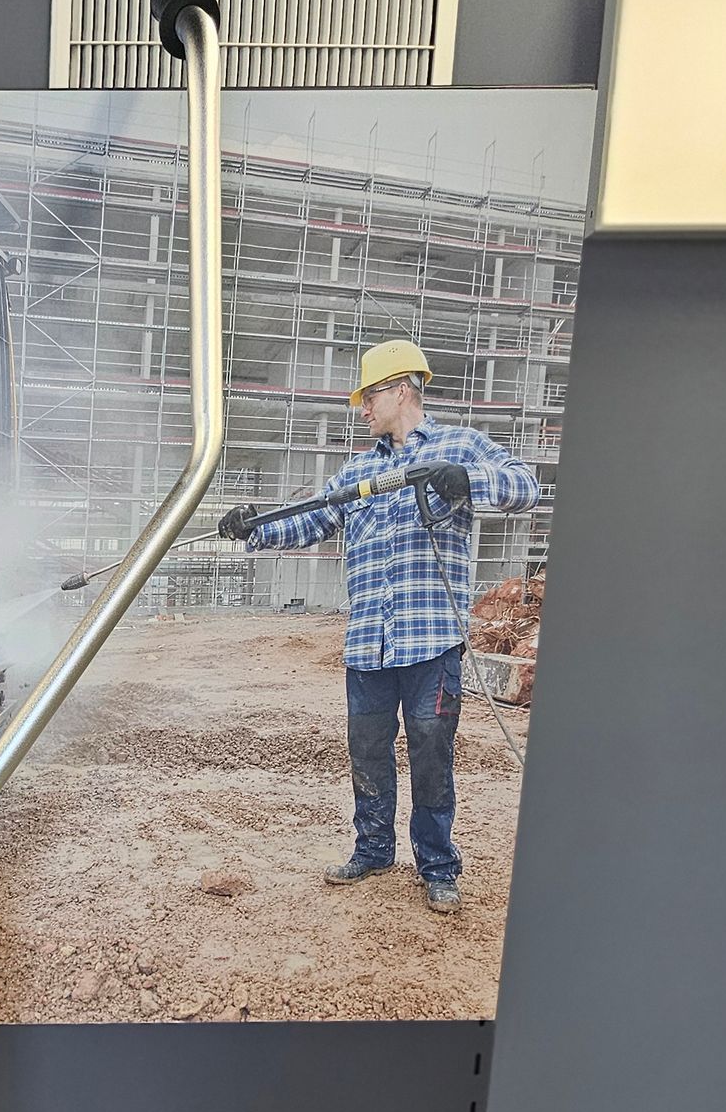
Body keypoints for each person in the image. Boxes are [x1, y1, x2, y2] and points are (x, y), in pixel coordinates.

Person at [217, 338, 538, 916]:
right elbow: (313, 518)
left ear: (401, 390)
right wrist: (255, 526)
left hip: (431, 643)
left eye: (369, 396)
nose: (362, 407)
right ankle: (373, 850)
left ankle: (438, 866)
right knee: (367, 753)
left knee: (431, 756)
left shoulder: (459, 446)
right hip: (368, 643)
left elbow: (526, 487)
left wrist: (464, 480)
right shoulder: (359, 469)